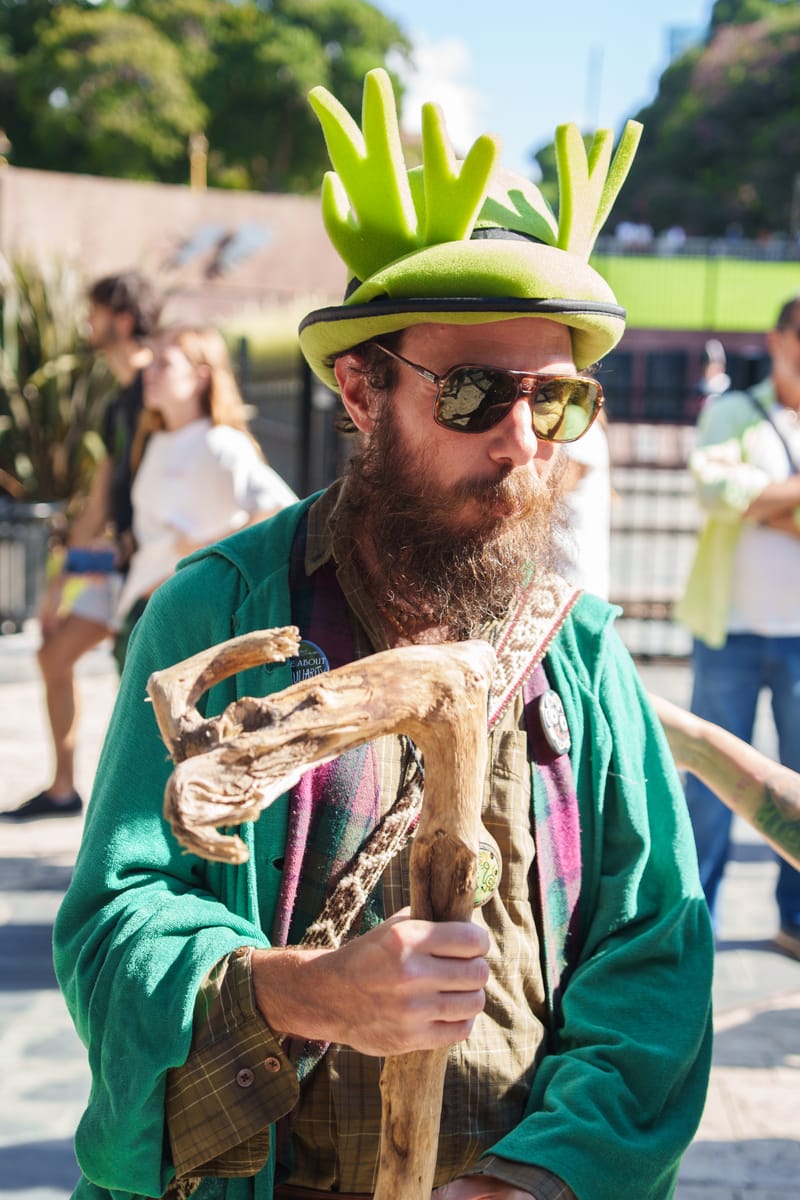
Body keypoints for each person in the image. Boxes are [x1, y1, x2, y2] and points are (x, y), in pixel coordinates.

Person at [54, 70, 713, 1200]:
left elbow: (653, 956)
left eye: (554, 402)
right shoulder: (217, 611)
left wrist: (532, 1177)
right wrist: (300, 992)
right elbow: (115, 928)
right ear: (360, 393)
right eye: (471, 395)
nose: (520, 444)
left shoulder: (582, 647)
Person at [3, 270, 160, 821]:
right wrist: (60, 581)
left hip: (153, 568)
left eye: (94, 312)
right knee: (53, 653)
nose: (86, 323)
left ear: (120, 318)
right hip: (116, 562)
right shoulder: (119, 398)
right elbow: (102, 494)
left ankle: (146, 811)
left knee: (144, 690)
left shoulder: (157, 386)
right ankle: (63, 790)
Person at [676, 295, 800, 959]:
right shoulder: (733, 410)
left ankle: (796, 920)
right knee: (713, 781)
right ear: (777, 338)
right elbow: (713, 490)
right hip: (730, 628)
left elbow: (739, 497)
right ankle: (696, 921)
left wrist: (760, 501)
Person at [111, 324, 298, 669]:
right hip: (140, 612)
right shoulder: (154, 441)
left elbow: (279, 510)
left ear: (200, 376)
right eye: (150, 362)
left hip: (181, 619)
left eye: (163, 364)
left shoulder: (222, 442)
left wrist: (207, 549)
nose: (148, 373)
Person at [555, 412, 612, 598]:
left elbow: (560, 484)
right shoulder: (577, 416)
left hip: (569, 576)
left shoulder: (574, 417)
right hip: (568, 570)